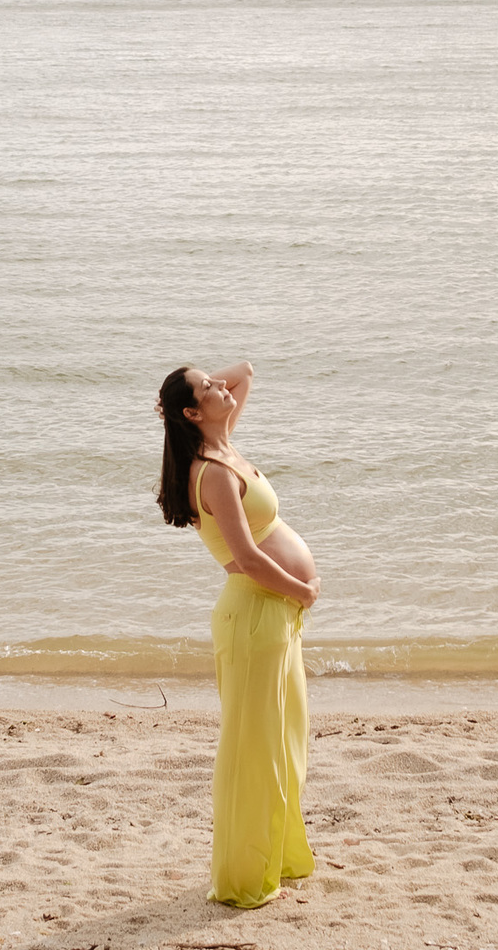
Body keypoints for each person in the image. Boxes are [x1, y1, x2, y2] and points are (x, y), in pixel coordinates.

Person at [156, 362, 320, 908]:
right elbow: (247, 558)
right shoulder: (215, 472)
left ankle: (281, 857)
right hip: (256, 614)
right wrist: (302, 591)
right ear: (192, 413)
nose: (223, 388)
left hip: (272, 618)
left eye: (213, 383)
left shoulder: (224, 444)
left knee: (284, 743)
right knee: (253, 752)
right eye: (207, 389)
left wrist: (200, 392)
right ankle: (244, 879)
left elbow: (245, 373)